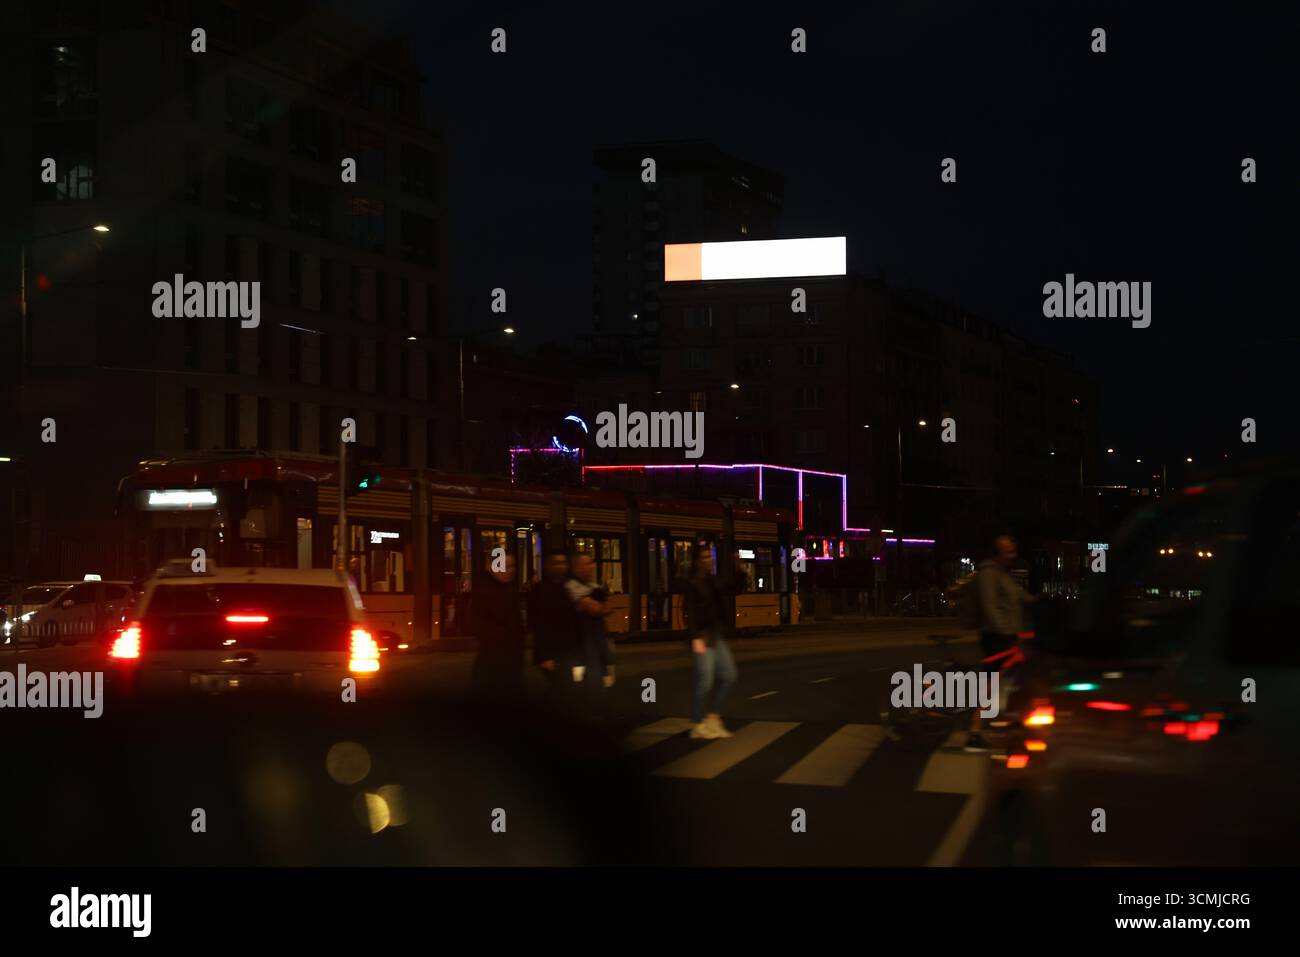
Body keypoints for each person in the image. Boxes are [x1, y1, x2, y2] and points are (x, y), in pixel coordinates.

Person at [965, 534, 1032, 752]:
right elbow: (990, 607)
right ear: (996, 554)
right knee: (991, 684)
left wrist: (1042, 602)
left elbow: (1019, 597)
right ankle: (975, 732)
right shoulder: (988, 574)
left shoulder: (1004, 574)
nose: (1014, 555)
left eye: (1014, 550)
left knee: (1008, 681)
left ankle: (1004, 725)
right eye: (1008, 551)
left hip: (1008, 636)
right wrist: (1004, 632)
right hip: (995, 637)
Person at [684, 545, 739, 740]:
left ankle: (713, 718)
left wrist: (737, 566)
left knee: (730, 675)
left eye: (711, 556)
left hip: (716, 635)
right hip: (703, 637)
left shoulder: (711, 580)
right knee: (705, 682)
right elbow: (689, 611)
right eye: (706, 557)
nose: (710, 560)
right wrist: (695, 637)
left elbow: (733, 588)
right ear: (698, 560)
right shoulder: (691, 582)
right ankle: (698, 725)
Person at [527, 548, 580, 701]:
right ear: (548, 566)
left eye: (563, 563)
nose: (560, 566)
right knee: (561, 688)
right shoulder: (539, 591)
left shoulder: (570, 587)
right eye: (556, 563)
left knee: (564, 689)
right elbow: (538, 624)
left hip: (567, 650)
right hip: (552, 651)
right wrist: (545, 655)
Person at [469, 552, 525, 697]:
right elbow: (477, 624)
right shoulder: (484, 592)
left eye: (512, 566)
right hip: (494, 660)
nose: (511, 570)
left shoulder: (510, 589)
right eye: (505, 566)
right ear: (492, 567)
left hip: (509, 659)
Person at [565, 552, 614, 711]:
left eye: (591, 563)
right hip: (583, 637)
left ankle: (595, 705)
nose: (591, 566)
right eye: (587, 563)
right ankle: (593, 707)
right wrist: (599, 606)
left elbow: (608, 607)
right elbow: (595, 609)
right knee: (591, 670)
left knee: (600, 669)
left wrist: (599, 606)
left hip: (597, 636)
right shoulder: (572, 585)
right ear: (576, 567)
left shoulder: (592, 586)